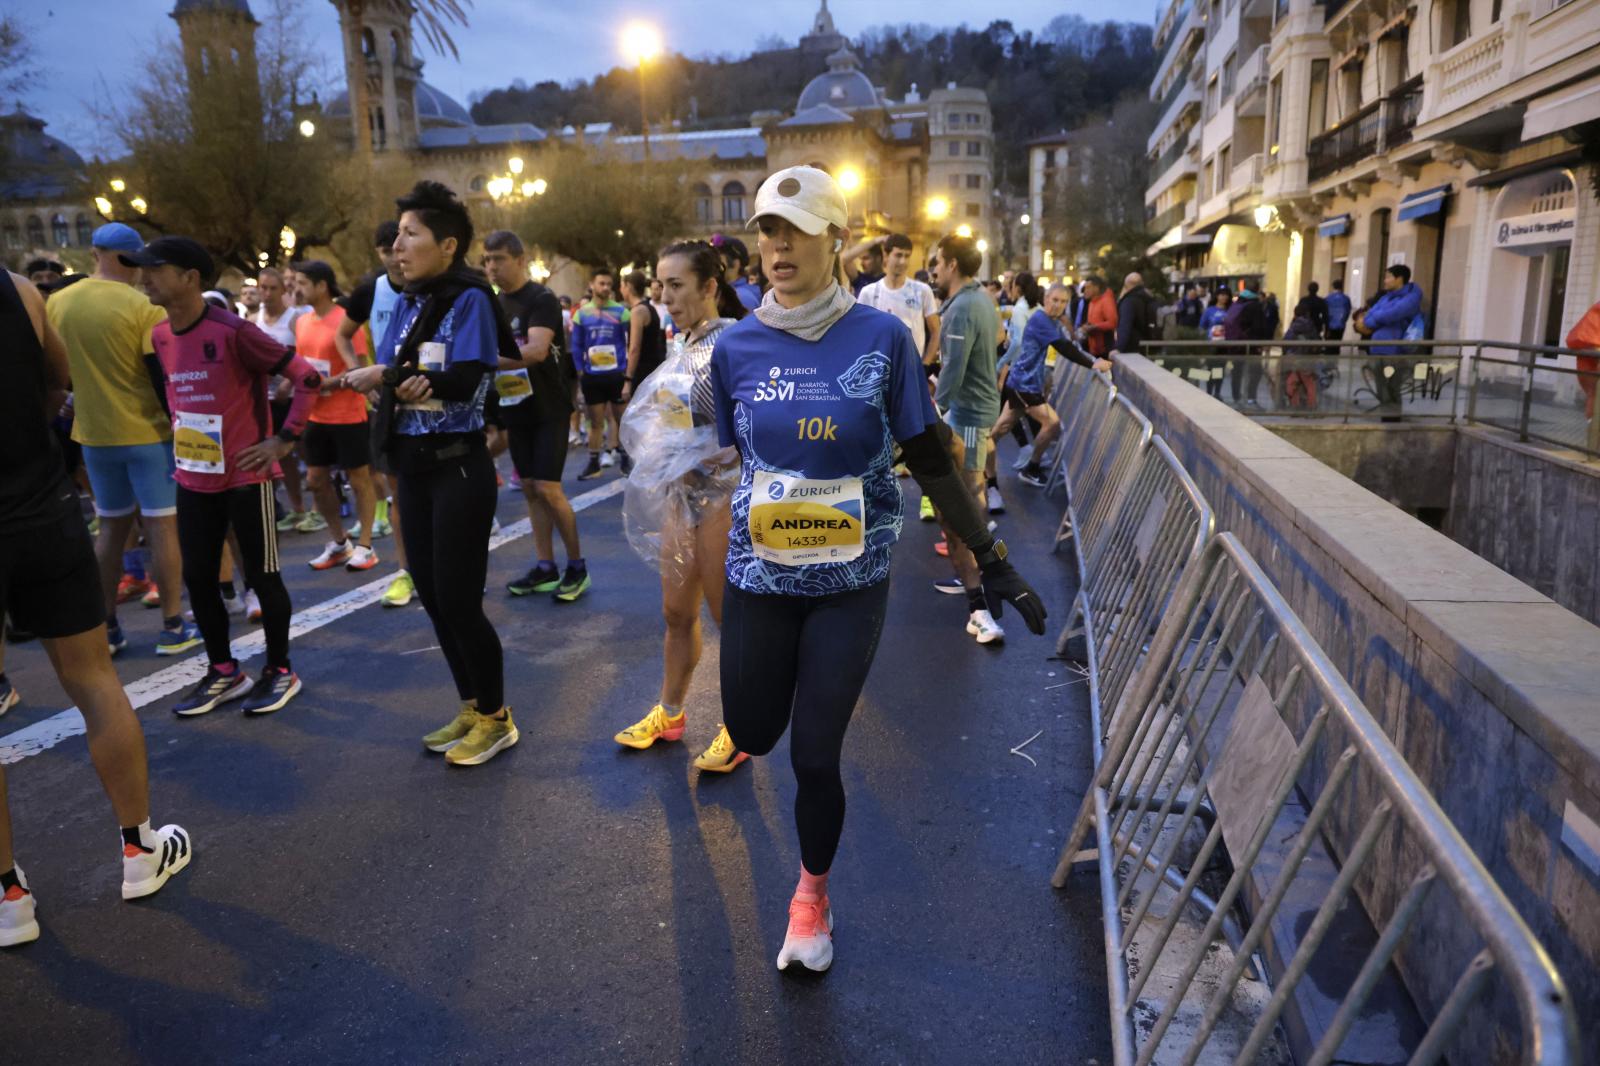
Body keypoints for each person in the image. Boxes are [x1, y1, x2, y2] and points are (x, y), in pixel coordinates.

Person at [710, 166, 1047, 972]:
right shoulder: (735, 345)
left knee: (814, 755)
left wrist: (991, 557)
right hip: (759, 577)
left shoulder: (882, 337)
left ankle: (810, 897)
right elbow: (734, 455)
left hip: (849, 581)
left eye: (793, 229)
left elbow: (929, 454)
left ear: (836, 240)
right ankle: (774, 719)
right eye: (766, 230)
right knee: (755, 733)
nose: (776, 245)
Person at [0, 269, 192, 949]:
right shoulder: (18, 288)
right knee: (92, 677)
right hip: (38, 504)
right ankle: (141, 852)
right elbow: (57, 381)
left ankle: (8, 897)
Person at [343, 181, 517, 768]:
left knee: (462, 600)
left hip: (458, 467)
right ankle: (470, 705)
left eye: (410, 234)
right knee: (434, 597)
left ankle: (497, 718)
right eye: (396, 235)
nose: (398, 245)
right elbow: (405, 371)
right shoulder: (408, 300)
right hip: (411, 468)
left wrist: (390, 378)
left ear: (447, 245)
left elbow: (468, 377)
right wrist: (395, 380)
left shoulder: (470, 297)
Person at [133, 237, 315, 716]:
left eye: (155, 269)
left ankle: (280, 670)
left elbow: (308, 379)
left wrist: (284, 440)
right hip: (193, 477)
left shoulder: (234, 331)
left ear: (191, 277)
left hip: (245, 477)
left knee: (263, 576)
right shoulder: (160, 336)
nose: (144, 277)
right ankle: (223, 671)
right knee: (198, 577)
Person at [613, 240, 750, 772]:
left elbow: (749, 426)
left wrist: (708, 463)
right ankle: (670, 712)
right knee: (675, 612)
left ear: (709, 287)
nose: (666, 297)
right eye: (661, 286)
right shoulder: (681, 343)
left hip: (724, 495)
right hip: (682, 494)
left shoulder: (736, 345)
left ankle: (741, 724)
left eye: (677, 286)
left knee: (728, 617)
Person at [46, 222, 200, 657]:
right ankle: (173, 625)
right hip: (147, 432)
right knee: (163, 527)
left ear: (95, 253)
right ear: (128, 258)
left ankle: (108, 626)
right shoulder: (143, 307)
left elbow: (54, 370)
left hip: (93, 434)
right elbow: (159, 376)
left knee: (110, 529)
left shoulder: (57, 303)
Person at [480, 230, 588, 603]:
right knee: (528, 488)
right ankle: (546, 566)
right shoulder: (494, 303)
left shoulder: (540, 298)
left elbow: (537, 350)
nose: (492, 267)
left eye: (499, 259)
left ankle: (577, 566)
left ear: (520, 260)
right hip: (515, 406)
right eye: (487, 260)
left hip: (549, 408)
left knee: (548, 488)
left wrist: (480, 361)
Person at [930, 233, 1007, 645]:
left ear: (953, 264)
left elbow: (954, 370)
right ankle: (983, 587)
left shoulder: (961, 308)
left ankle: (984, 596)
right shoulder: (982, 300)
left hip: (967, 419)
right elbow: (999, 340)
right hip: (978, 413)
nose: (935, 269)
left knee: (966, 515)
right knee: (965, 513)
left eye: (939, 262)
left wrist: (934, 413)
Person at [338, 220, 410, 607]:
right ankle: (405, 571)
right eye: (386, 251)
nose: (394, 257)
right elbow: (342, 334)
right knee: (399, 492)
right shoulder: (371, 289)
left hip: (433, 400)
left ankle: (453, 568)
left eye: (398, 246)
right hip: (387, 402)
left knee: (440, 492)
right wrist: (356, 371)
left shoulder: (438, 287)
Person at [291, 260, 379, 573]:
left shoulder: (345, 320)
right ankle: (340, 543)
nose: (296, 289)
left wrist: (328, 383)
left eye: (301, 282)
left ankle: (366, 545)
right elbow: (302, 364)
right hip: (315, 414)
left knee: (359, 480)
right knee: (315, 480)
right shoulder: (301, 322)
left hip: (348, 412)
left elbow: (362, 367)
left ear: (321, 285)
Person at [1005, 283, 1112, 487]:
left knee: (1000, 429)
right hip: (1024, 384)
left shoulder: (1051, 321)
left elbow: (1068, 342)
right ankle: (1031, 468)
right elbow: (1063, 347)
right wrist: (1093, 363)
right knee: (1052, 423)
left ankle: (979, 465)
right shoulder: (1040, 319)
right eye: (1055, 300)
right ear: (1046, 299)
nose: (1058, 305)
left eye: (1063, 302)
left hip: (1025, 382)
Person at [252, 267, 316, 532]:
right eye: (262, 288)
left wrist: (288, 382)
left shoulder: (295, 319)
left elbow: (305, 357)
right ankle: (297, 508)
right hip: (266, 399)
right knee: (283, 457)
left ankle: (318, 510)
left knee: (308, 455)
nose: (266, 294)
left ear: (284, 290)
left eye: (272, 288)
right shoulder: (254, 320)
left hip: (294, 398)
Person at [571, 267, 632, 479]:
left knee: (621, 420)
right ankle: (593, 463)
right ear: (592, 285)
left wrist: (627, 375)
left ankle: (626, 460)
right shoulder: (581, 314)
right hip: (592, 377)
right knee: (595, 422)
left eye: (609, 284)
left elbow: (631, 343)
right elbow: (577, 346)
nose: (605, 288)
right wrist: (581, 374)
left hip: (616, 375)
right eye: (601, 283)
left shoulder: (622, 312)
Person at [855, 233, 940, 362]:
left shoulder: (922, 290)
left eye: (907, 256)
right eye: (898, 255)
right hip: (880, 371)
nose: (903, 261)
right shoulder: (869, 292)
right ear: (886, 256)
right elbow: (859, 334)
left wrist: (925, 365)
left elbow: (936, 331)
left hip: (912, 368)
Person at [1355, 264, 1424, 412]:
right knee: (1382, 388)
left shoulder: (1411, 298)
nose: (1385, 281)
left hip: (1395, 351)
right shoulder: (1386, 297)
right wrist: (1372, 318)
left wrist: (1371, 321)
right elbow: (1372, 312)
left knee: (1392, 388)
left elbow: (1391, 314)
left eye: (1388, 277)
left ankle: (1392, 420)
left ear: (1399, 279)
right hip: (1378, 349)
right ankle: (1387, 417)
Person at [622, 270, 668, 399]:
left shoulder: (638, 311)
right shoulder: (649, 307)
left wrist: (628, 379)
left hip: (643, 372)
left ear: (628, 287)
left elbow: (634, 348)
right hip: (653, 369)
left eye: (622, 285)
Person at [1223, 285, 1270, 406]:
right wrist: (1262, 342)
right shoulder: (1255, 305)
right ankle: (1250, 398)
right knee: (1255, 371)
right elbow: (1259, 326)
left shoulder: (1237, 303)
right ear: (1256, 292)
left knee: (1237, 371)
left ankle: (1236, 397)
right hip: (1251, 346)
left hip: (1236, 344)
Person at [1114, 272, 1161, 356]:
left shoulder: (1129, 301)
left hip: (1131, 347)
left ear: (1126, 285)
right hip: (1149, 345)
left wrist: (1118, 348)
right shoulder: (1149, 298)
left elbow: (1125, 325)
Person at [712, 235, 763, 310]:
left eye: (718, 259)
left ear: (735, 263)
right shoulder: (721, 291)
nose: (712, 263)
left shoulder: (742, 298)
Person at [1078, 276, 1118, 359]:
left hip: (1104, 349)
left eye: (1088, 288)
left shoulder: (1106, 300)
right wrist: (1087, 326)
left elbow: (1112, 323)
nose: (1085, 291)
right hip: (1094, 348)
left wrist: (1094, 327)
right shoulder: (1092, 302)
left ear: (1096, 288)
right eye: (1085, 288)